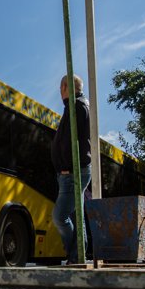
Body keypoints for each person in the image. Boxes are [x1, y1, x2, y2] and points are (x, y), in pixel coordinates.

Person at [51, 74, 92, 264]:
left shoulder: (76, 106)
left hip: (73, 171)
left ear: (65, 87)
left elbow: (70, 141)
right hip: (73, 170)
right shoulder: (76, 106)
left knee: (60, 216)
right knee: (77, 217)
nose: (60, 93)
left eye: (60, 89)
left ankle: (74, 253)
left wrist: (67, 166)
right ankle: (77, 257)